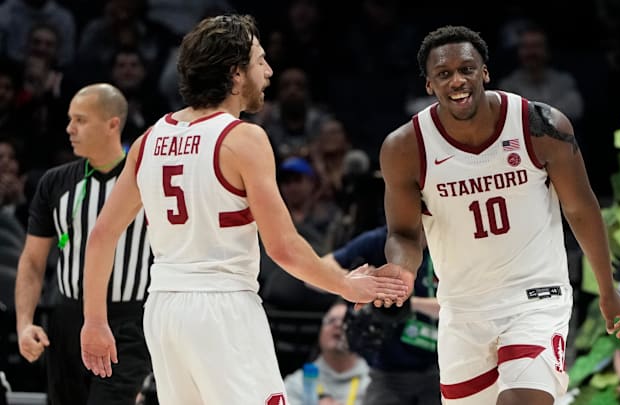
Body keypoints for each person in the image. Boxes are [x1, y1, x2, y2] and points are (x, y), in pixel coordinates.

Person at [78, 14, 408, 405]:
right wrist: (346, 285)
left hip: (163, 309)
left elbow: (101, 236)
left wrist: (95, 321)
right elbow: (283, 247)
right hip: (223, 307)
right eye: (260, 61)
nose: (268, 71)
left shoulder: (149, 139)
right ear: (236, 74)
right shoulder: (244, 138)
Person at [377, 25, 620, 404]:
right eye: (444, 74)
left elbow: (581, 210)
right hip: (462, 309)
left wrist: (607, 290)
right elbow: (403, 234)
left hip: (535, 297)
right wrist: (400, 271)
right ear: (429, 85)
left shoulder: (542, 126)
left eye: (466, 69)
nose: (457, 80)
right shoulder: (405, 147)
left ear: (484, 72)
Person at [14, 83, 152, 405]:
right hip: (67, 320)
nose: (69, 129)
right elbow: (33, 261)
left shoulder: (147, 180)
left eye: (80, 120)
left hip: (128, 323)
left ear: (112, 124)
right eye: (69, 119)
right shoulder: (55, 182)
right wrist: (24, 323)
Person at [327, 225, 441, 405]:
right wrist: (356, 281)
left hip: (440, 368)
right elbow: (318, 272)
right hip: (387, 370)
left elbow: (464, 303)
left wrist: (406, 302)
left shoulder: (446, 245)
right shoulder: (376, 241)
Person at [283, 299, 371, 405]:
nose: (338, 325)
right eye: (331, 320)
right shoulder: (297, 383)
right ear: (320, 332)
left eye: (346, 322)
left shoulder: (374, 383)